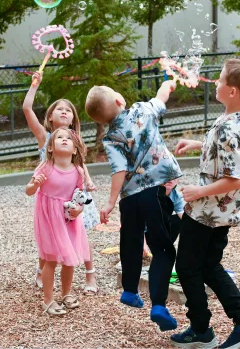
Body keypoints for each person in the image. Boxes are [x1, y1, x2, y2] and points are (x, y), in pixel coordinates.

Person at [171, 59, 240, 349]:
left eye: (221, 80)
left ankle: (203, 332)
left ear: (233, 91)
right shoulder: (239, 118)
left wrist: (198, 191)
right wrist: (198, 144)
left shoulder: (229, 128)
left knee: (187, 267)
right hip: (223, 212)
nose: (216, 83)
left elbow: (235, 178)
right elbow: (228, 152)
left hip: (206, 213)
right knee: (209, 265)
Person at [85, 80, 182, 332]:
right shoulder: (142, 110)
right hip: (154, 191)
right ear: (119, 100)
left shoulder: (110, 137)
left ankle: (129, 290)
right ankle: (158, 305)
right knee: (162, 250)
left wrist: (111, 201)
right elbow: (161, 98)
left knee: (130, 240)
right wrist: (167, 85)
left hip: (130, 199)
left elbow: (119, 170)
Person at [23, 72, 99, 295]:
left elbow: (80, 164)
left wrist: (89, 179)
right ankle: (42, 270)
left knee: (80, 236)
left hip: (74, 195)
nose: (65, 111)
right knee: (50, 236)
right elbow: (27, 109)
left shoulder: (74, 138)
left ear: (73, 118)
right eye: (60, 109)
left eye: (69, 109)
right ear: (50, 117)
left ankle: (90, 274)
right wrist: (34, 86)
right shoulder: (44, 136)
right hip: (51, 195)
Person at [25, 127, 90, 315]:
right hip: (48, 218)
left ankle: (66, 293)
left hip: (68, 218)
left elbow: (80, 196)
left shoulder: (78, 171)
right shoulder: (46, 167)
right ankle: (47, 299)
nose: (63, 140)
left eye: (68, 138)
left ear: (75, 149)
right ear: (50, 148)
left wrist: (79, 209)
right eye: (59, 138)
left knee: (69, 259)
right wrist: (35, 184)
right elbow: (29, 191)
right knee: (51, 259)